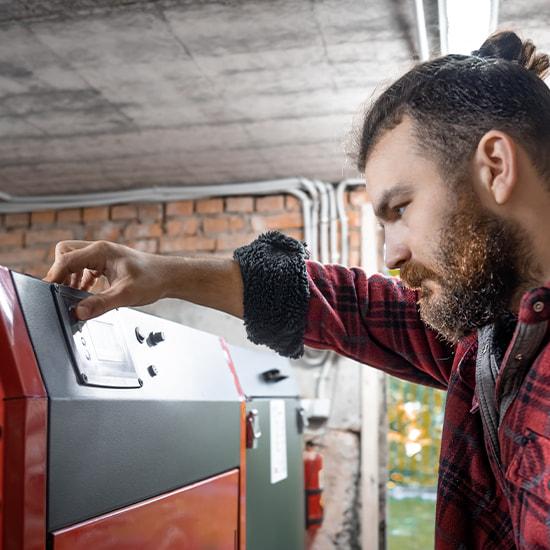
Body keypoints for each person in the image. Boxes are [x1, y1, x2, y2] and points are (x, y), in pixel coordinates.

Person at [45, 31, 550, 549]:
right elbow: (354, 306)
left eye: (400, 209)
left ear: (495, 167)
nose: (391, 254)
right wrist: (163, 273)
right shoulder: (495, 332)